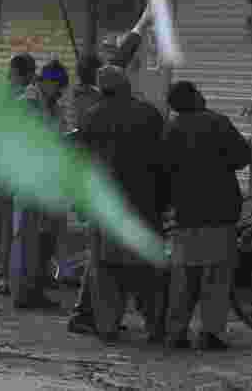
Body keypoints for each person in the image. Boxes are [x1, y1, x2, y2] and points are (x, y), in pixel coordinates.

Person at [67, 7, 154, 336]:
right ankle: (93, 314)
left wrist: (142, 23)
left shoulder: (93, 102)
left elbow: (121, 57)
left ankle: (92, 314)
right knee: (108, 260)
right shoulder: (94, 106)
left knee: (101, 258)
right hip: (112, 194)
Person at [79, 65, 168, 344]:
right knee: (147, 269)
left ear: (102, 90)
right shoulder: (149, 114)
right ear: (127, 86)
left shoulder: (92, 116)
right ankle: (155, 326)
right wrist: (164, 200)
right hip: (145, 205)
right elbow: (163, 160)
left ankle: (107, 326)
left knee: (105, 270)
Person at [161, 81, 252, 351]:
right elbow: (242, 157)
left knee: (184, 277)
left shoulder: (170, 129)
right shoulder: (218, 123)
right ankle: (210, 333)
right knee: (216, 277)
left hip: (186, 212)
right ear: (194, 97)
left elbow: (163, 169)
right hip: (220, 211)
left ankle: (176, 332)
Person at [9, 59, 72, 310]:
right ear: (46, 82)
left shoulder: (51, 106)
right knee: (26, 238)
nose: (60, 93)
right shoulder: (28, 103)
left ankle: (34, 290)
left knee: (41, 239)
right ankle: (23, 294)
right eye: (58, 87)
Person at [0, 52, 40, 296]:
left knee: (8, 229)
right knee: (6, 228)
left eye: (11, 73)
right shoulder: (22, 97)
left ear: (21, 75)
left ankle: (9, 278)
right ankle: (8, 275)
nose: (8, 77)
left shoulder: (27, 98)